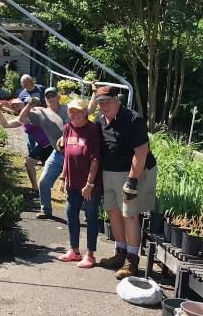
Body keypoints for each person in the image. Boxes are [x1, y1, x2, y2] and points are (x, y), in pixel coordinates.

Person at [95, 86, 157, 279]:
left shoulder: (132, 119)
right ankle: (120, 253)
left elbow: (141, 152)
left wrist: (132, 181)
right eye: (100, 102)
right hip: (109, 171)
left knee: (129, 215)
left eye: (107, 101)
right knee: (112, 211)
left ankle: (132, 261)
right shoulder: (100, 119)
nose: (104, 106)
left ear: (117, 100)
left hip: (131, 172)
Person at [18, 85, 97, 219]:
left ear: (58, 97)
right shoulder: (40, 113)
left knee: (79, 186)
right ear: (45, 99)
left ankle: (88, 214)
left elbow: (89, 110)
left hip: (76, 154)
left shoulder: (68, 109)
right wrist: (30, 104)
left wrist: (94, 92)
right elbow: (21, 118)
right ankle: (46, 210)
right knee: (43, 182)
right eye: (48, 96)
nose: (51, 98)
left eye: (53, 95)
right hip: (58, 153)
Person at [58, 98, 101, 268]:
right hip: (72, 182)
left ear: (85, 112)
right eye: (71, 111)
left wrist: (89, 184)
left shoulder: (92, 129)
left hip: (89, 184)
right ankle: (74, 251)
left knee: (91, 216)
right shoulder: (67, 128)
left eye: (77, 111)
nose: (73, 114)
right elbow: (66, 156)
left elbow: (95, 160)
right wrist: (63, 178)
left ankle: (90, 254)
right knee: (71, 214)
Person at [0, 98, 53, 195]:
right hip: (43, 146)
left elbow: (27, 116)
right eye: (13, 107)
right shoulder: (20, 120)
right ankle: (35, 189)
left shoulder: (34, 111)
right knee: (29, 163)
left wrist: (12, 108)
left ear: (24, 104)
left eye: (17, 105)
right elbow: (6, 125)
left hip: (53, 144)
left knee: (62, 168)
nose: (16, 107)